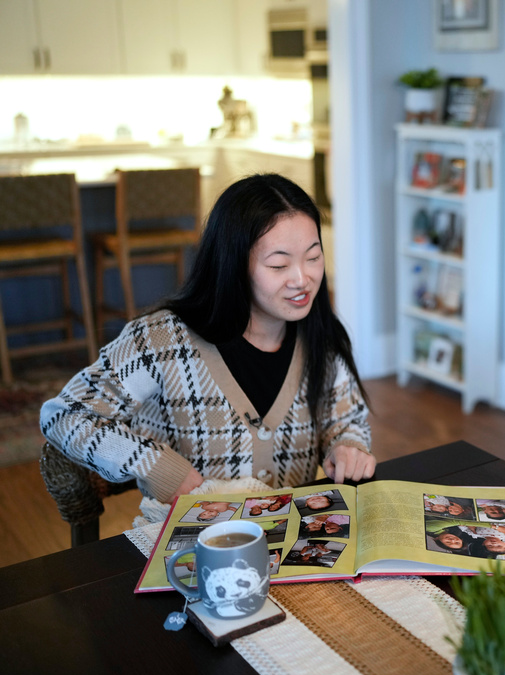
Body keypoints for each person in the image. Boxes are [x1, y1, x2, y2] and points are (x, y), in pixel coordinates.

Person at [40, 174, 376, 512]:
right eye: (279, 264)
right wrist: (155, 466)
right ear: (232, 264)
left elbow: (346, 421)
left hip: (296, 547)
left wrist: (346, 445)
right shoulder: (161, 340)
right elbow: (65, 414)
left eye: (313, 257)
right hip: (190, 550)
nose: (302, 279)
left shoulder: (321, 337)